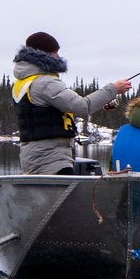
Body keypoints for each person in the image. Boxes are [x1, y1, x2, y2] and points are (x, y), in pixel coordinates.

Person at [13, 32, 132, 175]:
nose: (58, 56)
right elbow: (83, 106)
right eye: (55, 52)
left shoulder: (24, 82)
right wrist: (113, 89)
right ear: (44, 55)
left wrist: (103, 101)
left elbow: (55, 111)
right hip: (51, 160)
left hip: (34, 156)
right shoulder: (45, 83)